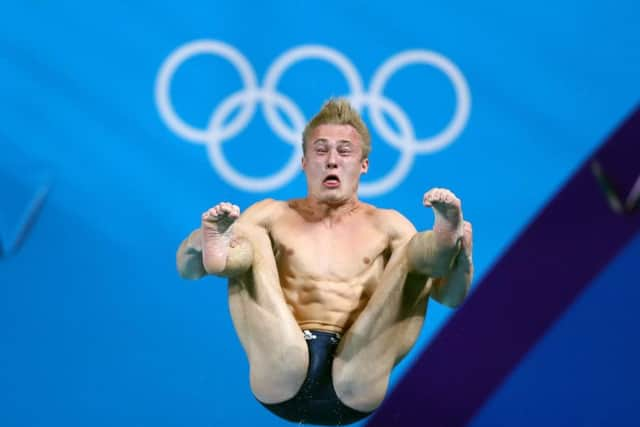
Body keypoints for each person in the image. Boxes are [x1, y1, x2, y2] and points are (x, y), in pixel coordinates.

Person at [176, 99, 473, 426]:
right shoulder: (273, 215)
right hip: (282, 364)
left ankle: (445, 243)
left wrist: (463, 259)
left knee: (412, 252)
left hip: (357, 371)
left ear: (364, 165)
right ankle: (222, 257)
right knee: (251, 234)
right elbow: (187, 270)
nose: (332, 161)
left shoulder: (388, 225)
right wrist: (200, 242)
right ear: (304, 162)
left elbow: (451, 296)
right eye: (321, 151)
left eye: (344, 151)